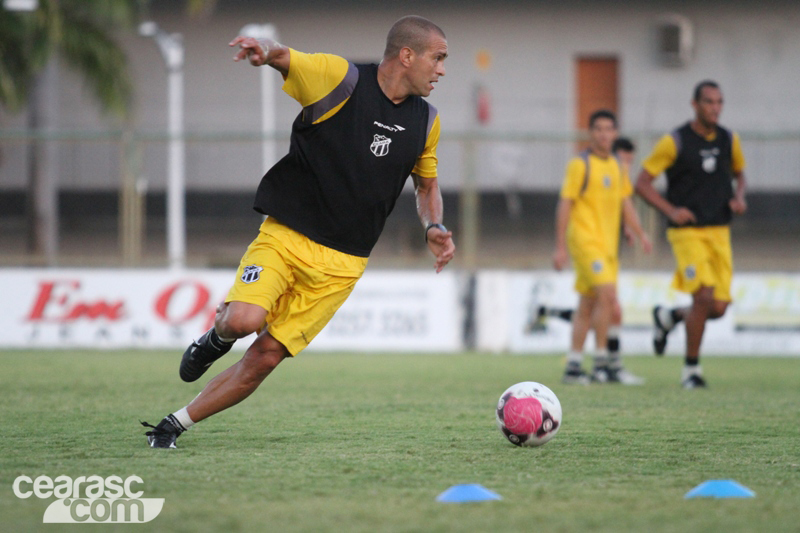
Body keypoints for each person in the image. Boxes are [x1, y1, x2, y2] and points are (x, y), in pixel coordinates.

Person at [142, 15, 455, 448]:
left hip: (343, 264)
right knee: (244, 321)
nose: (442, 70)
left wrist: (434, 225)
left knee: (266, 356)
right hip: (287, 236)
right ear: (407, 55)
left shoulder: (428, 121)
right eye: (438, 58)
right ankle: (215, 337)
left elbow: (428, 185)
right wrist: (263, 50)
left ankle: (173, 425)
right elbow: (284, 56)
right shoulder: (340, 78)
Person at [635, 80, 746, 389]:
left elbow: (740, 174)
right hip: (687, 233)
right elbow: (642, 183)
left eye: (719, 102)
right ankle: (691, 372)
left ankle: (668, 318)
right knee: (704, 295)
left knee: (718, 308)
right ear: (694, 104)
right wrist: (670, 211)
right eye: (709, 102)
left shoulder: (728, 139)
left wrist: (740, 197)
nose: (715, 107)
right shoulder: (675, 142)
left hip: (720, 231)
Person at [552, 113, 651, 385]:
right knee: (608, 295)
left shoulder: (618, 166)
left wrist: (639, 232)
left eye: (609, 129)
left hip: (608, 246)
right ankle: (601, 364)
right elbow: (565, 204)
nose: (603, 134)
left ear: (615, 133)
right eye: (598, 129)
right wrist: (560, 247)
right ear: (590, 132)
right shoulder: (580, 164)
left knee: (588, 304)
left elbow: (626, 202)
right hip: (585, 242)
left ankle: (573, 367)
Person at [533, 137, 638, 327]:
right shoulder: (591, 168)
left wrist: (627, 228)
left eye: (630, 162)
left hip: (609, 249)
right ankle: (606, 355)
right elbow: (574, 204)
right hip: (589, 245)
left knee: (593, 308)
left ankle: (555, 319)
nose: (626, 166)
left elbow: (615, 207)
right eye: (623, 160)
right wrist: (560, 247)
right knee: (608, 304)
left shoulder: (619, 176)